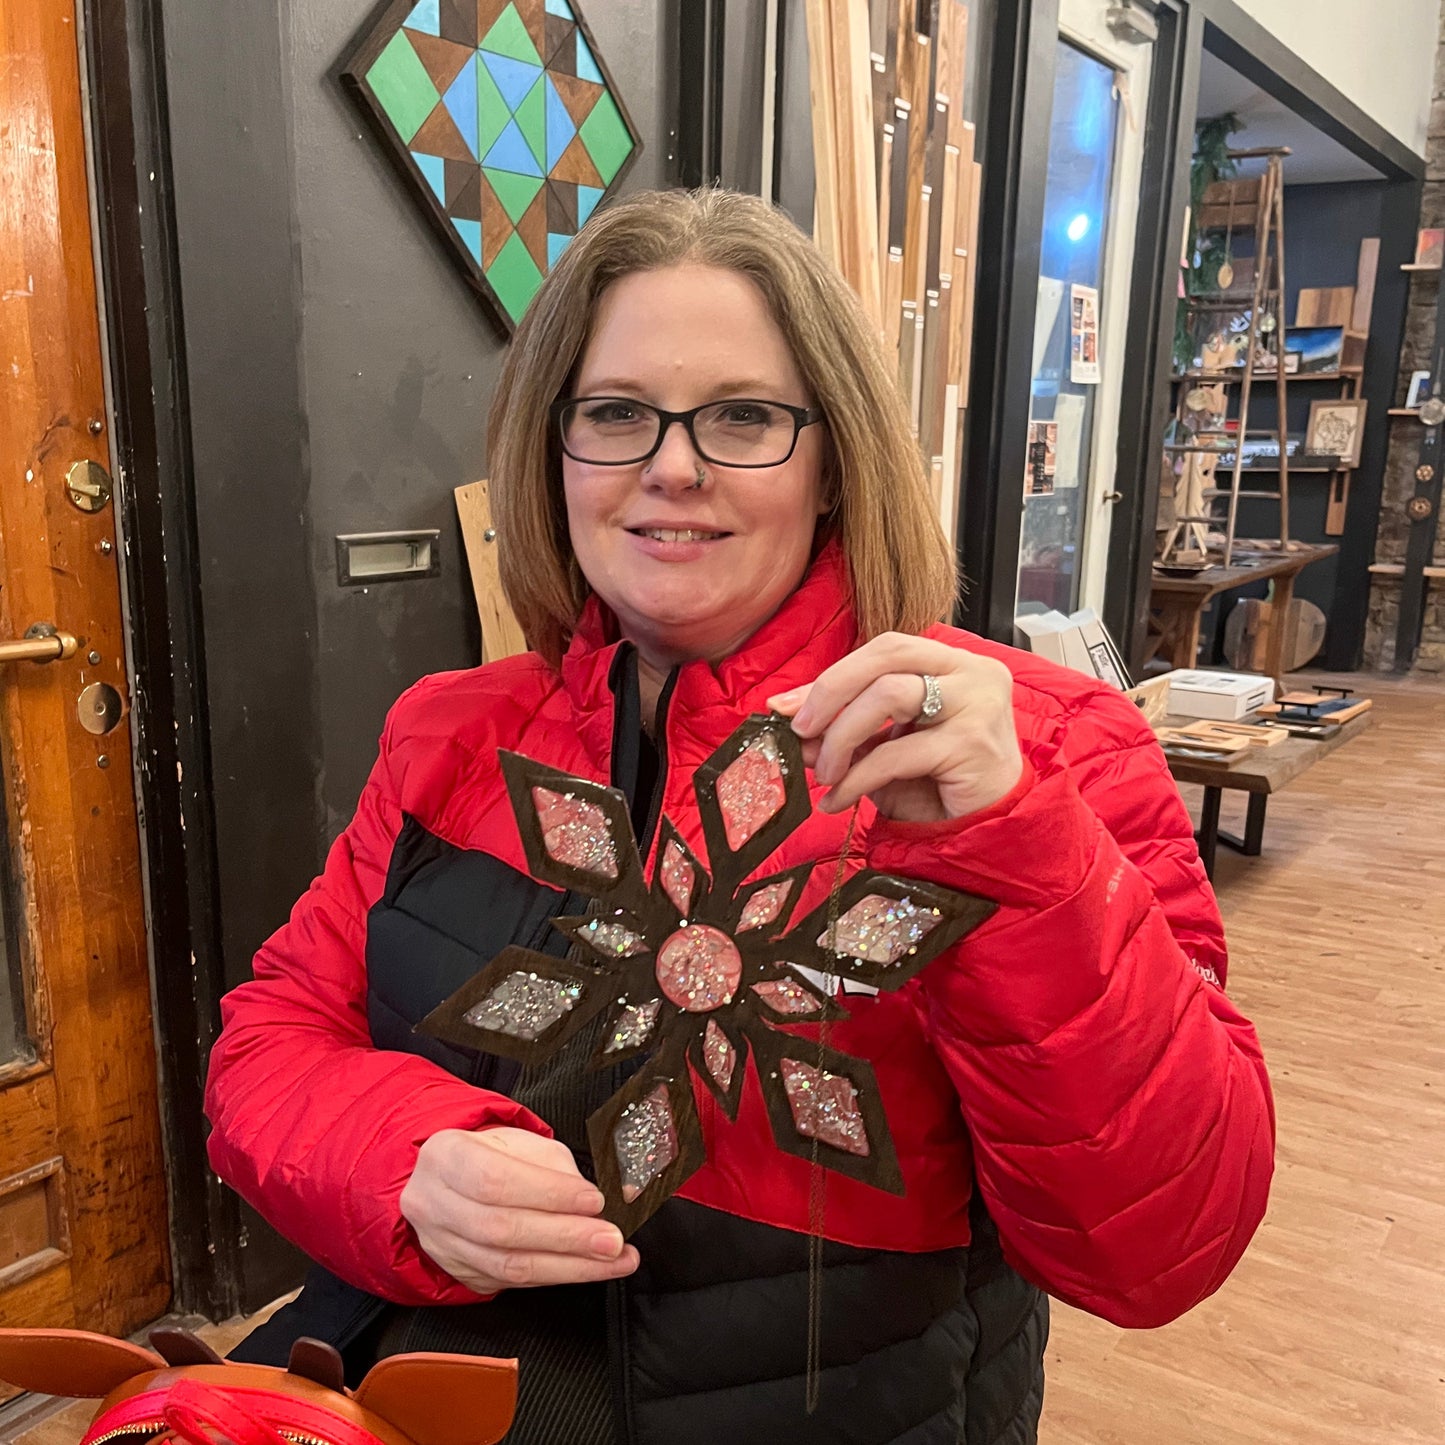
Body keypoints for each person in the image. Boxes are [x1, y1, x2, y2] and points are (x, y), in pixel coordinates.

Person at [206, 188, 1274, 1445]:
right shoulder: (455, 731)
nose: (671, 464)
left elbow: (1154, 1244)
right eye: (614, 414)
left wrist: (1013, 839)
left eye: (743, 417)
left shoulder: (1034, 745)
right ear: (552, 453)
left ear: (833, 463)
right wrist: (401, 1163)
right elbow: (269, 1045)